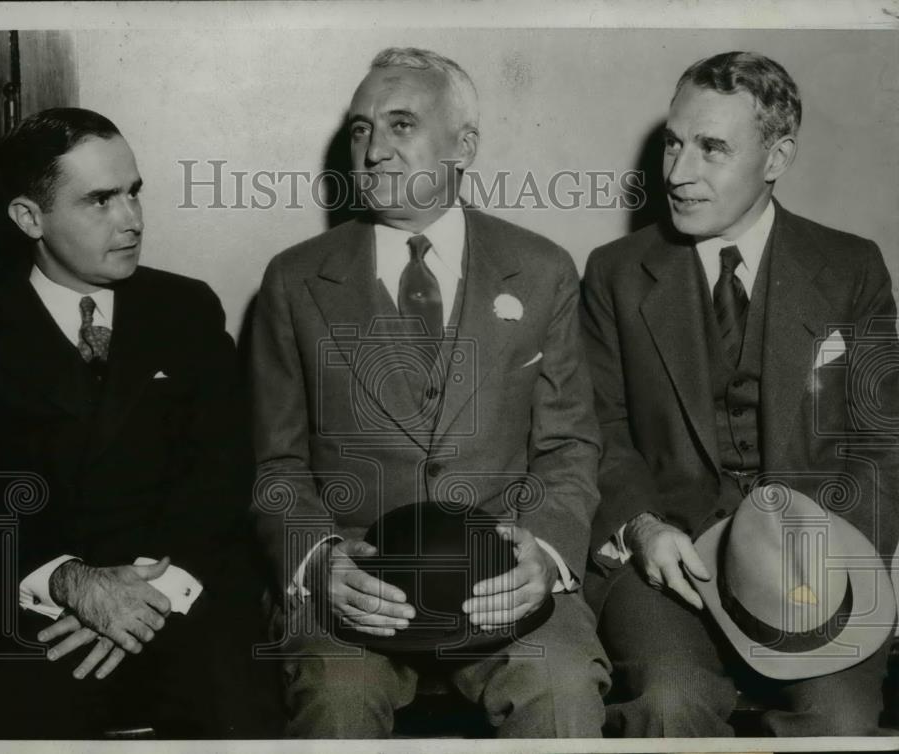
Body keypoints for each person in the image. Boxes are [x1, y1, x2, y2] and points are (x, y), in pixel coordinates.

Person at [250, 47, 610, 738]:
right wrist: (320, 560)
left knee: (561, 688)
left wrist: (546, 553)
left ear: (463, 145)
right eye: (360, 129)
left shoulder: (541, 270)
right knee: (338, 700)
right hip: (360, 581)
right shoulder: (295, 282)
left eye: (401, 124)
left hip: (503, 574)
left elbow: (568, 446)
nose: (375, 150)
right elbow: (276, 466)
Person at [581, 51, 899, 736]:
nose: (677, 173)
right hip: (667, 568)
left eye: (712, 148)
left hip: (813, 566)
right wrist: (642, 527)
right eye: (673, 143)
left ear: (777, 156)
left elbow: (883, 442)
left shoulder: (851, 269)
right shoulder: (615, 274)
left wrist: (830, 563)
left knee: (841, 720)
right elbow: (599, 429)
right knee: (668, 703)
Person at [0, 107, 275, 738]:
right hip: (38, 601)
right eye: (99, 200)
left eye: (133, 192)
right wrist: (67, 580)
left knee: (238, 709)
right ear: (28, 217)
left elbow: (223, 470)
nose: (132, 220)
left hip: (178, 589)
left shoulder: (185, 307)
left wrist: (152, 599)